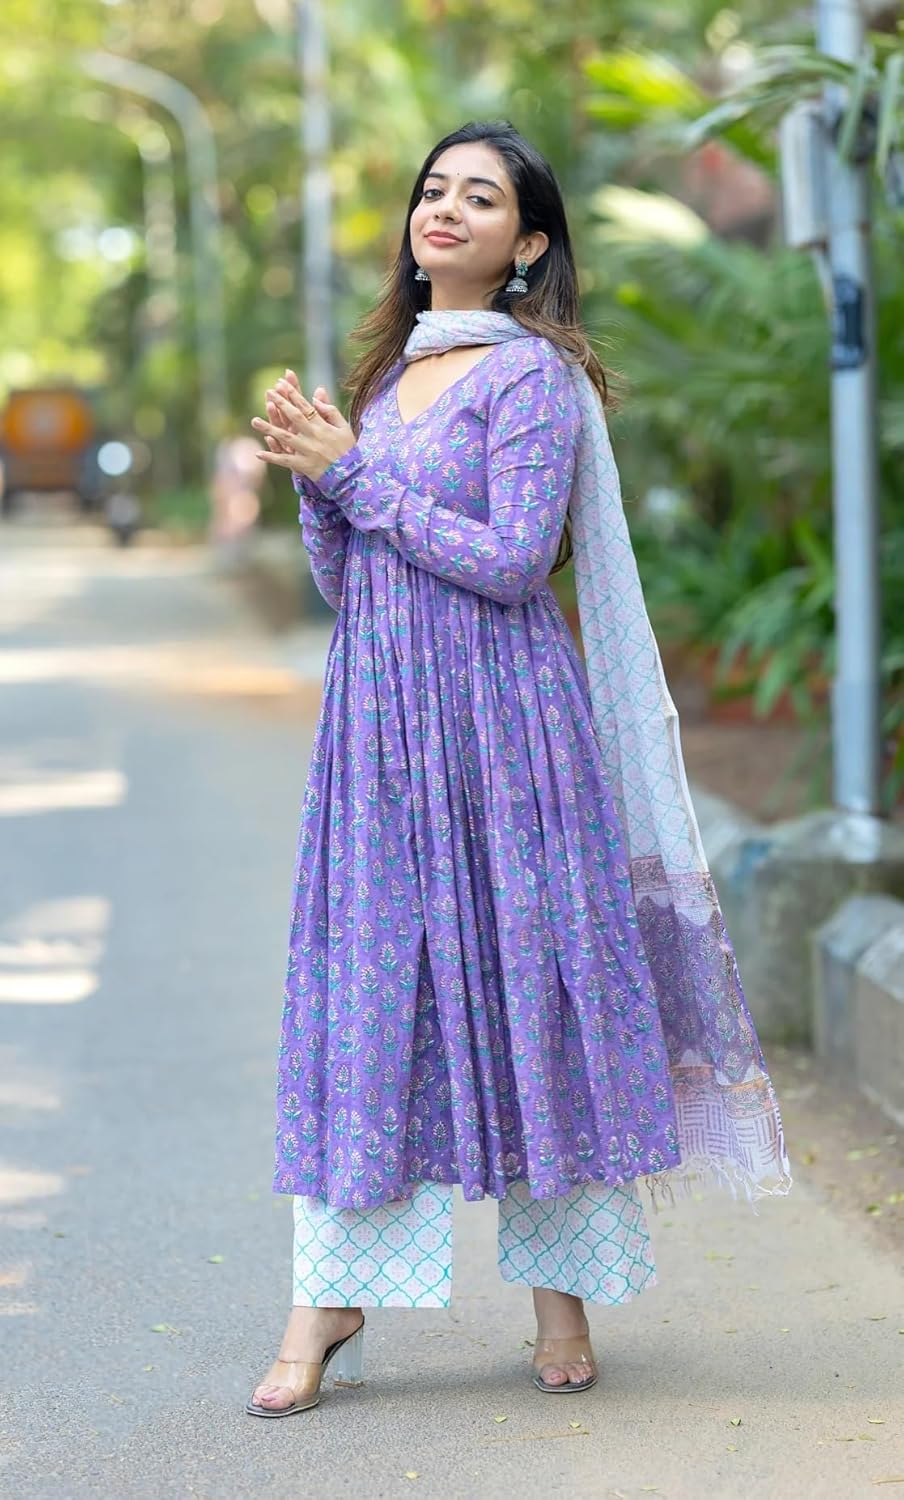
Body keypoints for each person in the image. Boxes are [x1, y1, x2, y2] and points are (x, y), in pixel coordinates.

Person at [246, 120, 791, 1418]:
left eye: (480, 197)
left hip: (508, 733)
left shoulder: (531, 379)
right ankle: (329, 1302)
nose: (444, 208)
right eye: (433, 189)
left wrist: (355, 476)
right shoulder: (387, 378)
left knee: (532, 991)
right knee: (370, 1001)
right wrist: (320, 485)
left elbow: (507, 564)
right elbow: (353, 584)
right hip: (381, 734)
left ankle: (563, 1297)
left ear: (527, 243)